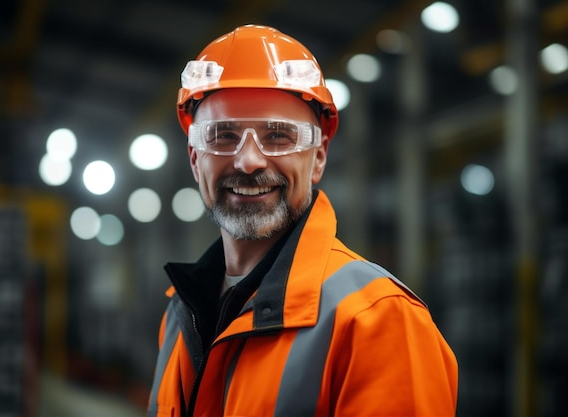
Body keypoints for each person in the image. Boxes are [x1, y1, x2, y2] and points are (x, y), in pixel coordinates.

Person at [147, 24, 457, 417]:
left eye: (278, 136)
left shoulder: (377, 321)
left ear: (320, 157)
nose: (248, 161)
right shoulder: (179, 315)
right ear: (195, 159)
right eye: (223, 136)